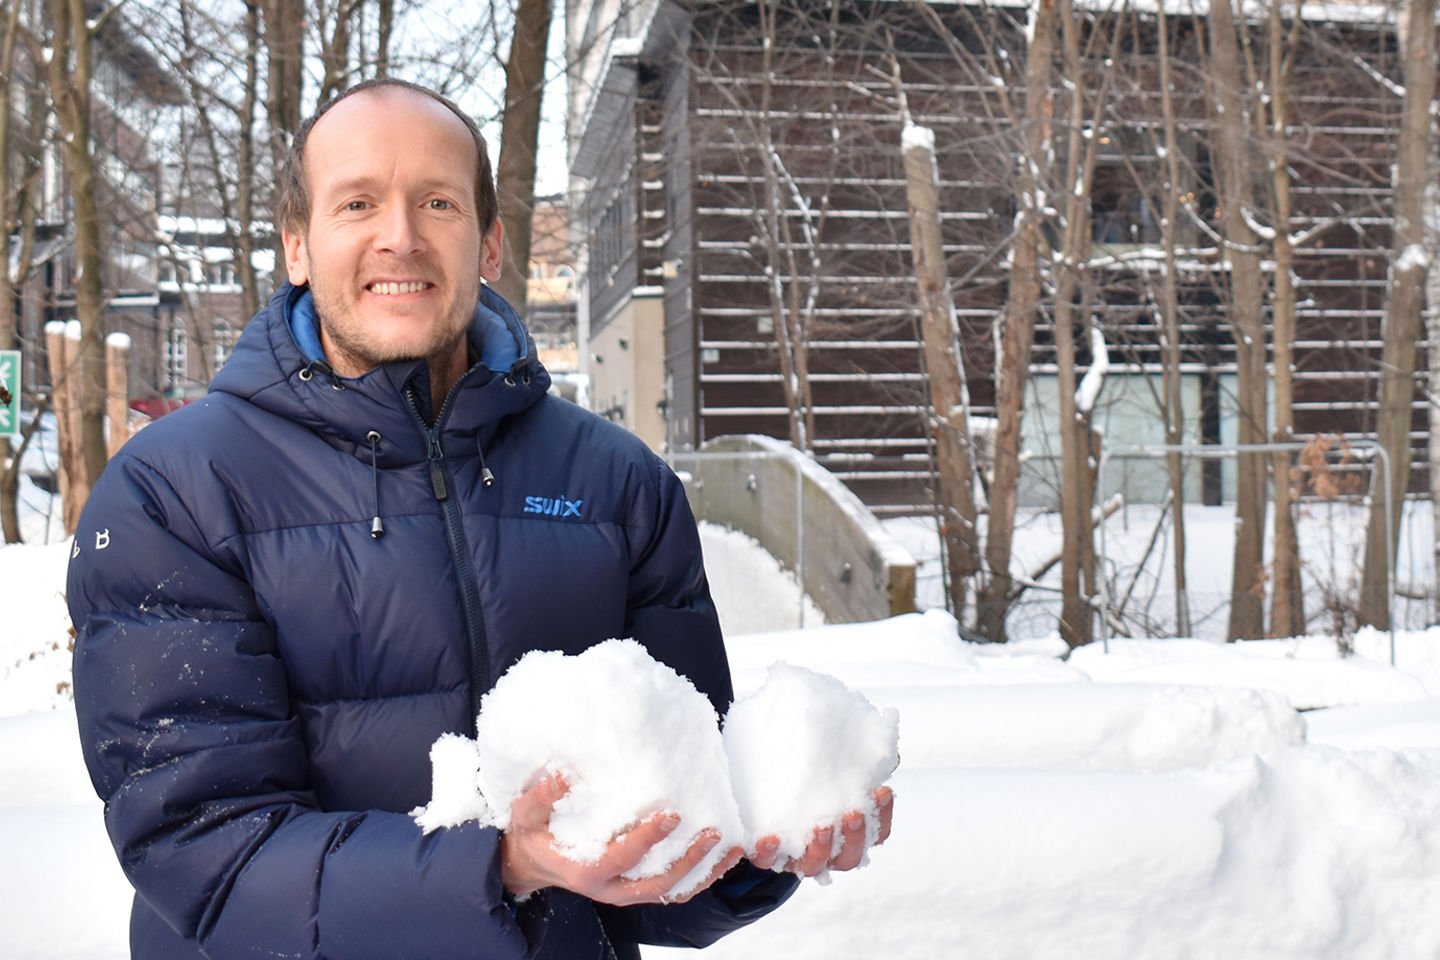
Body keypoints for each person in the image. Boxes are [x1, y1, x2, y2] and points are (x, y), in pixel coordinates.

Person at [67, 78, 892, 960]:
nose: (401, 236)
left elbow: (667, 852)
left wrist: (766, 837)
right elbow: (206, 856)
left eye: (438, 202)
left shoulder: (618, 485)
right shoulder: (175, 490)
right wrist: (496, 865)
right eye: (357, 202)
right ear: (298, 245)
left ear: (489, 243)